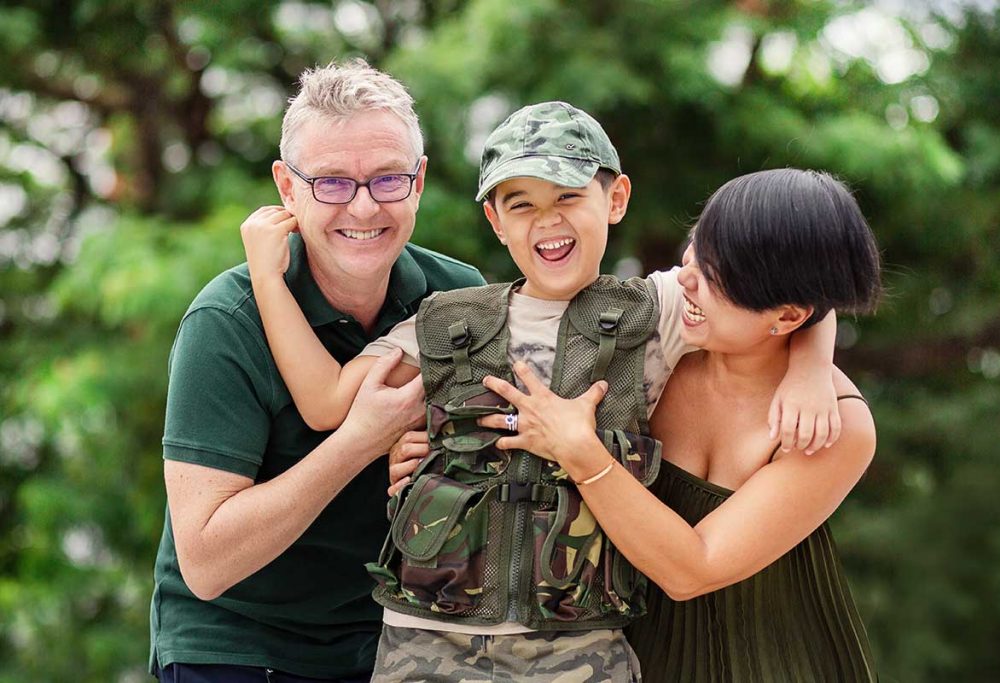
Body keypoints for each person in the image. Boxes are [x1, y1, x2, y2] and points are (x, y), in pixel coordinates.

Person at [241, 102, 843, 682]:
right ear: (496, 222)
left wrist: (811, 364)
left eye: (568, 197)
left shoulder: (658, 310)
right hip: (427, 643)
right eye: (521, 203)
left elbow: (784, 282)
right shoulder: (448, 322)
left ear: (616, 199)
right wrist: (268, 279)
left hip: (578, 645)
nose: (547, 220)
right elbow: (325, 403)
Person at [148, 60, 486, 683]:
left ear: (419, 182)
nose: (362, 206)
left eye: (388, 179)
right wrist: (361, 442)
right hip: (240, 643)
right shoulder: (226, 322)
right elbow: (205, 563)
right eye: (331, 182)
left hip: (394, 638)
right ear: (287, 187)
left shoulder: (458, 299)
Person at [478, 168, 882, 682]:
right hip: (621, 652)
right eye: (696, 249)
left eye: (716, 278)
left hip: (769, 658)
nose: (685, 277)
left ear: (785, 316)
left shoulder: (833, 424)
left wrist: (581, 453)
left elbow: (694, 569)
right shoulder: (661, 347)